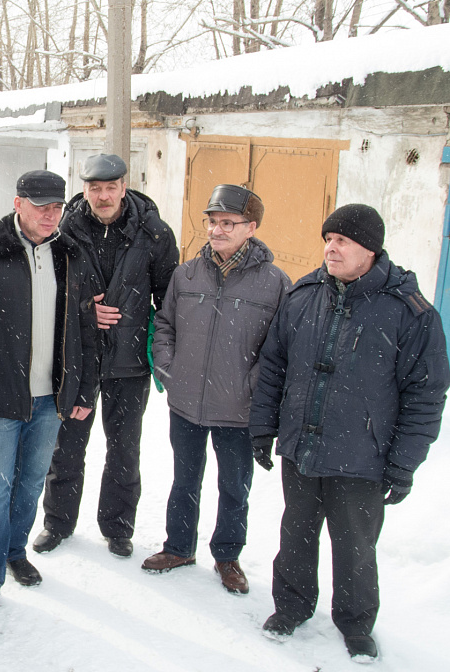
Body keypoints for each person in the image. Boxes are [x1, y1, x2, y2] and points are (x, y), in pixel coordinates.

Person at [249, 204, 449, 661]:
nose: (330, 248)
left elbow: (425, 395)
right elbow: (274, 366)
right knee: (296, 532)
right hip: (302, 445)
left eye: (343, 241)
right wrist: (264, 427)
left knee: (356, 545)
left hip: (363, 455)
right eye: (328, 239)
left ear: (370, 250)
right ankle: (292, 606)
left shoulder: (410, 313)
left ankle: (356, 623)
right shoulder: (304, 295)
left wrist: (403, 464)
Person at [0, 170, 98, 622]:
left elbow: (87, 329)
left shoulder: (72, 256)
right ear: (18, 204)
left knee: (32, 482)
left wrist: (85, 387)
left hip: (50, 399)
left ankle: (14, 551)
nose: (51, 215)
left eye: (57, 207)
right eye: (40, 206)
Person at [144, 184, 289, 594]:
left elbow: (280, 348)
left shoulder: (274, 283)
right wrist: (170, 368)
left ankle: (227, 556)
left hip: (239, 408)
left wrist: (252, 387)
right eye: (212, 221)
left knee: (233, 486)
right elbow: (165, 325)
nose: (217, 230)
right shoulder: (186, 274)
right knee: (184, 479)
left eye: (229, 223)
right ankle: (179, 547)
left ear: (251, 227)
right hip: (186, 401)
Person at [34, 153, 178, 558]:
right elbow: (49, 289)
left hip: (130, 361)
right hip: (76, 357)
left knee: (124, 447)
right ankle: (57, 522)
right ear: (85, 189)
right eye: (94, 188)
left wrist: (160, 350)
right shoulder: (64, 232)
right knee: (67, 445)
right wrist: (84, 310)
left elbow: (168, 299)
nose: (103, 195)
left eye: (110, 187)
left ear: (124, 187)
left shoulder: (155, 233)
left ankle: (117, 527)